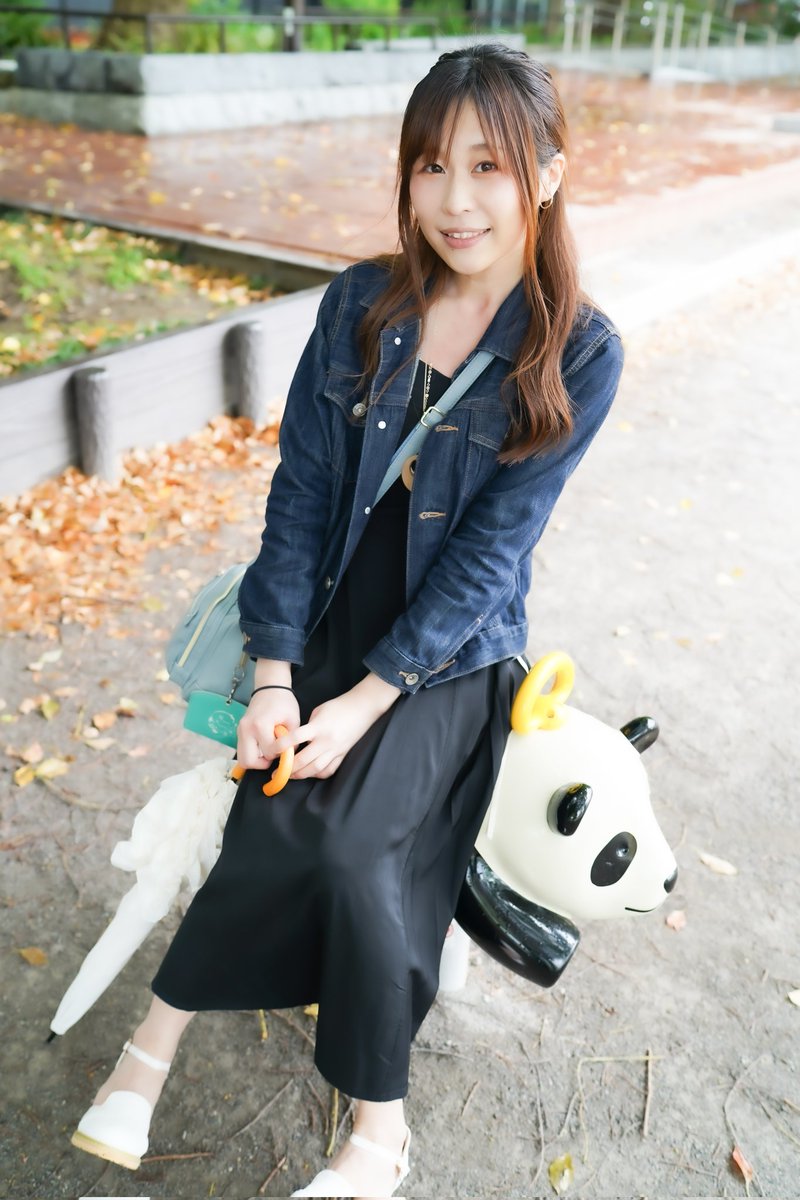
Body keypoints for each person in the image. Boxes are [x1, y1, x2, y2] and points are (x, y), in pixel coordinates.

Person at [70, 43, 623, 1197]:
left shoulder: (577, 348)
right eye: (430, 166)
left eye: (487, 166)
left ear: (547, 173)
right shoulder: (361, 306)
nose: (454, 199)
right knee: (284, 792)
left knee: (344, 840)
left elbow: (489, 556)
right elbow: (301, 498)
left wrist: (365, 702)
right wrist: (275, 675)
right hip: (323, 614)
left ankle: (344, 1118)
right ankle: (199, 1074)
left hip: (447, 656)